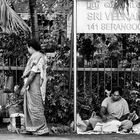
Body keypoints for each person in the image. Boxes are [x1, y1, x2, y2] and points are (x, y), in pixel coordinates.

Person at [20, 38, 49, 135]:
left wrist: (25, 86)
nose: (28, 50)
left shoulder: (37, 57)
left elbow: (32, 74)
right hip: (35, 86)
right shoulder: (41, 56)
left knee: (36, 107)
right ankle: (32, 128)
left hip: (35, 86)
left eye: (28, 48)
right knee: (31, 107)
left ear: (30, 47)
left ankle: (42, 129)